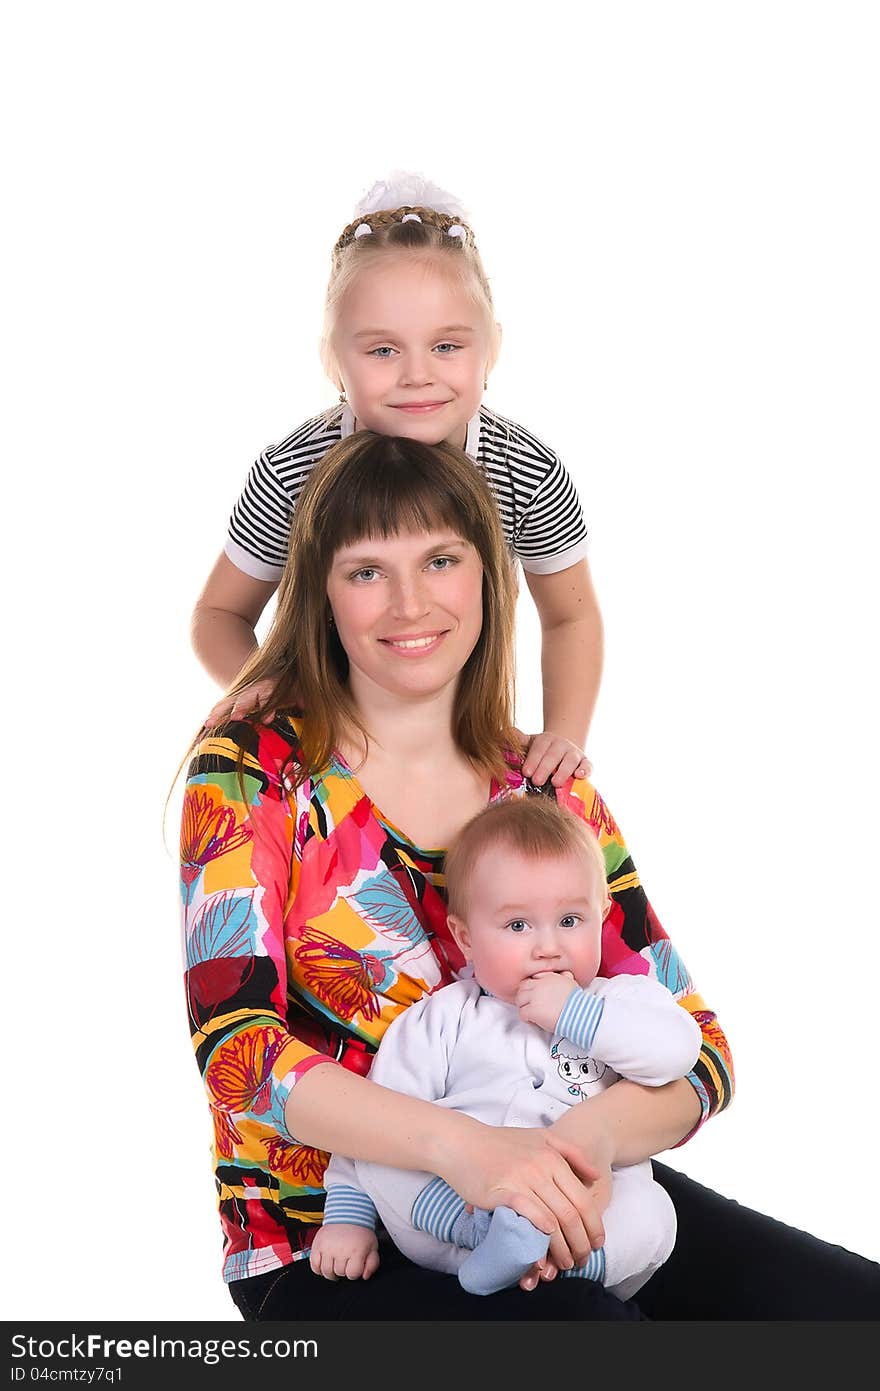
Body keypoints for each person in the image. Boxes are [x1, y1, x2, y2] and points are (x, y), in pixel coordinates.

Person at [180, 431, 880, 1321]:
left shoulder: (542, 785)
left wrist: (580, 1144)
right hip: (328, 1237)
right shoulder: (256, 766)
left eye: (440, 560)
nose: (408, 602)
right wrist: (465, 1150)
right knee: (588, 1334)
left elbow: (701, 1050)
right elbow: (236, 1049)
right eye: (366, 571)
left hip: (572, 1193)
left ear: (489, 577)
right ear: (319, 592)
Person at [190, 171, 603, 789]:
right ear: (332, 360)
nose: (417, 375)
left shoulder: (528, 470)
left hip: (455, 733)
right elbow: (218, 613)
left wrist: (562, 737)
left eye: (446, 346)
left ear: (491, 350)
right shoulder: (292, 470)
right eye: (383, 351)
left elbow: (571, 616)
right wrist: (278, 692)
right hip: (332, 745)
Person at [315, 796, 702, 1299]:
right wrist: (349, 1218)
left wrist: (575, 1015)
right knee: (390, 1161)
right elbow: (374, 1123)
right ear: (466, 937)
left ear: (602, 914)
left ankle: (559, 1264)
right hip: (457, 1207)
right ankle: (490, 1242)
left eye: (570, 920)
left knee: (653, 1214)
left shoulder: (620, 1002)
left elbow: (679, 1052)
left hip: (581, 1210)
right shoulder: (444, 1017)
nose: (548, 946)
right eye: (517, 926)